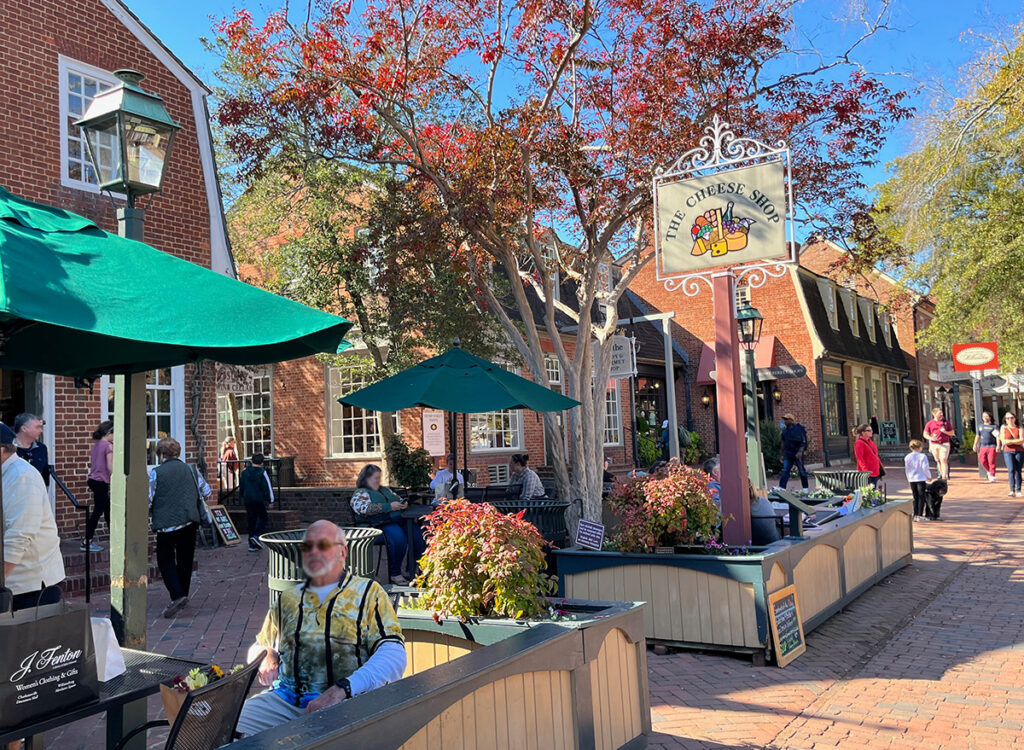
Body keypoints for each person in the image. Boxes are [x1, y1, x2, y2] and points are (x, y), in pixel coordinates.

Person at [236, 520, 406, 737]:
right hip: (285, 700)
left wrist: (343, 688)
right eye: (308, 547)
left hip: (347, 701)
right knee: (224, 729)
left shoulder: (369, 593)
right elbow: (261, 644)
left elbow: (394, 652)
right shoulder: (287, 599)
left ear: (343, 551)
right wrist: (266, 653)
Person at [1, 422, 64, 610]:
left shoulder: (22, 477)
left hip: (30, 587)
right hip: (13, 584)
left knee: (27, 640)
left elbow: (19, 536)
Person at [149, 437, 211, 618]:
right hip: (189, 520)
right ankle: (183, 593)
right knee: (185, 559)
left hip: (166, 524)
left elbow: (149, 498)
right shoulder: (191, 469)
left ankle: (177, 595)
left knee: (165, 559)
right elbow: (206, 491)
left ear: (161, 454)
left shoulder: (156, 473)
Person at [350, 464, 425, 585]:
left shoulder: (385, 490)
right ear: (366, 479)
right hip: (376, 525)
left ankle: (410, 570)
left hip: (398, 521)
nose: (378, 481)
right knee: (398, 537)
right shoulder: (361, 493)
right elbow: (364, 509)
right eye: (375, 478)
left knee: (418, 536)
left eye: (379, 478)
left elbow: (398, 498)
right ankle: (395, 573)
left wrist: (402, 504)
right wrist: (389, 507)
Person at [84, 420, 114, 552]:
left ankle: (114, 538)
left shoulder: (96, 446)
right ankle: (87, 541)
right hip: (101, 481)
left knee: (107, 509)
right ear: (109, 433)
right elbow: (110, 466)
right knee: (98, 511)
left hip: (93, 480)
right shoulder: (108, 446)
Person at [240, 453, 275, 552]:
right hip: (259, 499)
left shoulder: (245, 472)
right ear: (262, 463)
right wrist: (270, 500)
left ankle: (251, 545)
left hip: (248, 499)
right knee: (263, 518)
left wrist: (243, 495)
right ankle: (256, 536)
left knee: (251, 520)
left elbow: (241, 486)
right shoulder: (262, 472)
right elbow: (267, 487)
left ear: (251, 461)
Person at [13, 412, 49, 487]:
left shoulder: (41, 448)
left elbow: (45, 478)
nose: (41, 431)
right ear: (24, 428)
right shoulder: (8, 449)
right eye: (37, 427)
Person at [778, 413, 809, 491]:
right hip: (788, 453)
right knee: (785, 470)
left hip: (797, 453)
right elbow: (783, 443)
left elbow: (803, 442)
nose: (785, 421)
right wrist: (781, 454)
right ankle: (782, 487)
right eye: (784, 419)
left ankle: (805, 488)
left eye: (786, 419)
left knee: (801, 471)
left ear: (791, 420)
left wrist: (800, 451)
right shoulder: (784, 431)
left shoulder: (799, 429)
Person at [923, 407, 955, 482]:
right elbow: (925, 434)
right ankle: (941, 474)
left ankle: (944, 476)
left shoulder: (946, 423)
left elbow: (952, 433)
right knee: (938, 460)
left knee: (943, 459)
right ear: (934, 414)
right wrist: (931, 438)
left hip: (945, 444)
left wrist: (944, 432)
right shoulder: (930, 423)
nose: (941, 414)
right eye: (939, 413)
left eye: (942, 413)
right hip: (934, 444)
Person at [904, 439, 932, 521]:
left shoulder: (907, 457)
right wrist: (929, 476)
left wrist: (908, 478)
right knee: (921, 496)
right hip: (921, 478)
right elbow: (925, 468)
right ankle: (920, 514)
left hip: (912, 478)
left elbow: (907, 469)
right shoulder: (922, 456)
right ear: (919, 447)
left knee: (915, 496)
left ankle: (915, 514)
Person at [999, 413, 1024, 498]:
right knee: (1011, 470)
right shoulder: (1003, 428)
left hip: (1019, 451)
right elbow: (1004, 441)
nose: (1010, 420)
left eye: (1012, 418)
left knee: (1018, 470)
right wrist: (1015, 441)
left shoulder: (1019, 428)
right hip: (1008, 451)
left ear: (1015, 418)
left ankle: (1019, 490)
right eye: (1008, 418)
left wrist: (1010, 441)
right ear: (1005, 419)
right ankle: (1012, 490)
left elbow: (1021, 440)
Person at [853, 424, 883, 488]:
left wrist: (880, 466)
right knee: (867, 492)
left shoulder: (870, 441)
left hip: (875, 471)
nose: (871, 431)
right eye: (869, 430)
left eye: (871, 430)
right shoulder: (859, 442)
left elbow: (875, 455)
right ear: (863, 433)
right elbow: (859, 458)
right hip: (866, 472)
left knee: (873, 491)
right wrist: (865, 471)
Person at [974, 411, 1000, 483]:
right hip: (983, 446)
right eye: (983, 416)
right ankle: (989, 471)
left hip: (992, 446)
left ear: (990, 417)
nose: (985, 418)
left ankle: (992, 475)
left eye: (987, 416)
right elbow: (977, 436)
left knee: (991, 461)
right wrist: (975, 444)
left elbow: (998, 436)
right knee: (982, 460)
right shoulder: (980, 426)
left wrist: (998, 445)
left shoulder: (994, 426)